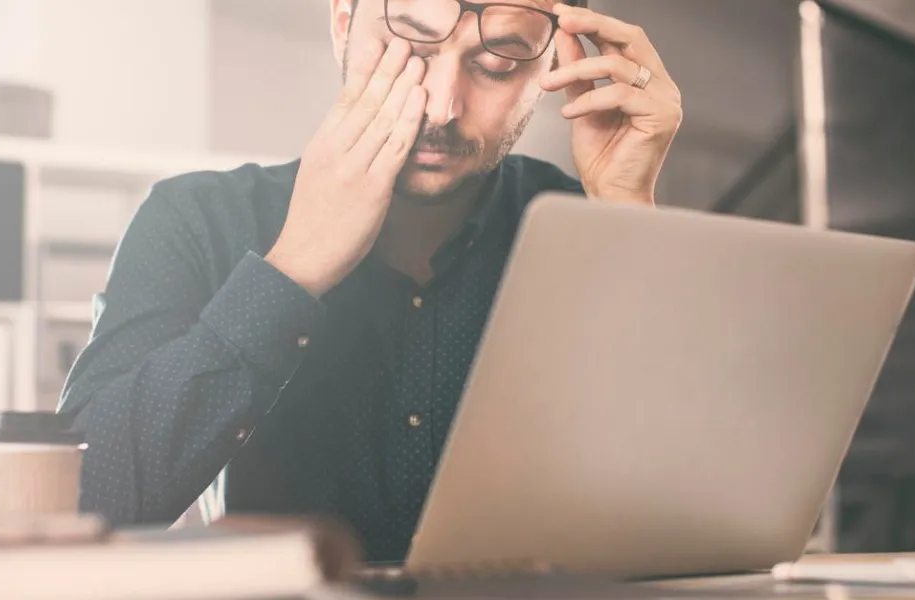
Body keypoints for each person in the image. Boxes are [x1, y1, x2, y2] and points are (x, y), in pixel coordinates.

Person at [58, 0, 682, 562]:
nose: (442, 105)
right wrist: (293, 268)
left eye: (498, 65)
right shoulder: (195, 221)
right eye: (409, 46)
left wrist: (626, 215)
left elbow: (688, 505)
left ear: (555, 63)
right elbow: (78, 506)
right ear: (342, 25)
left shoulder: (591, 227)